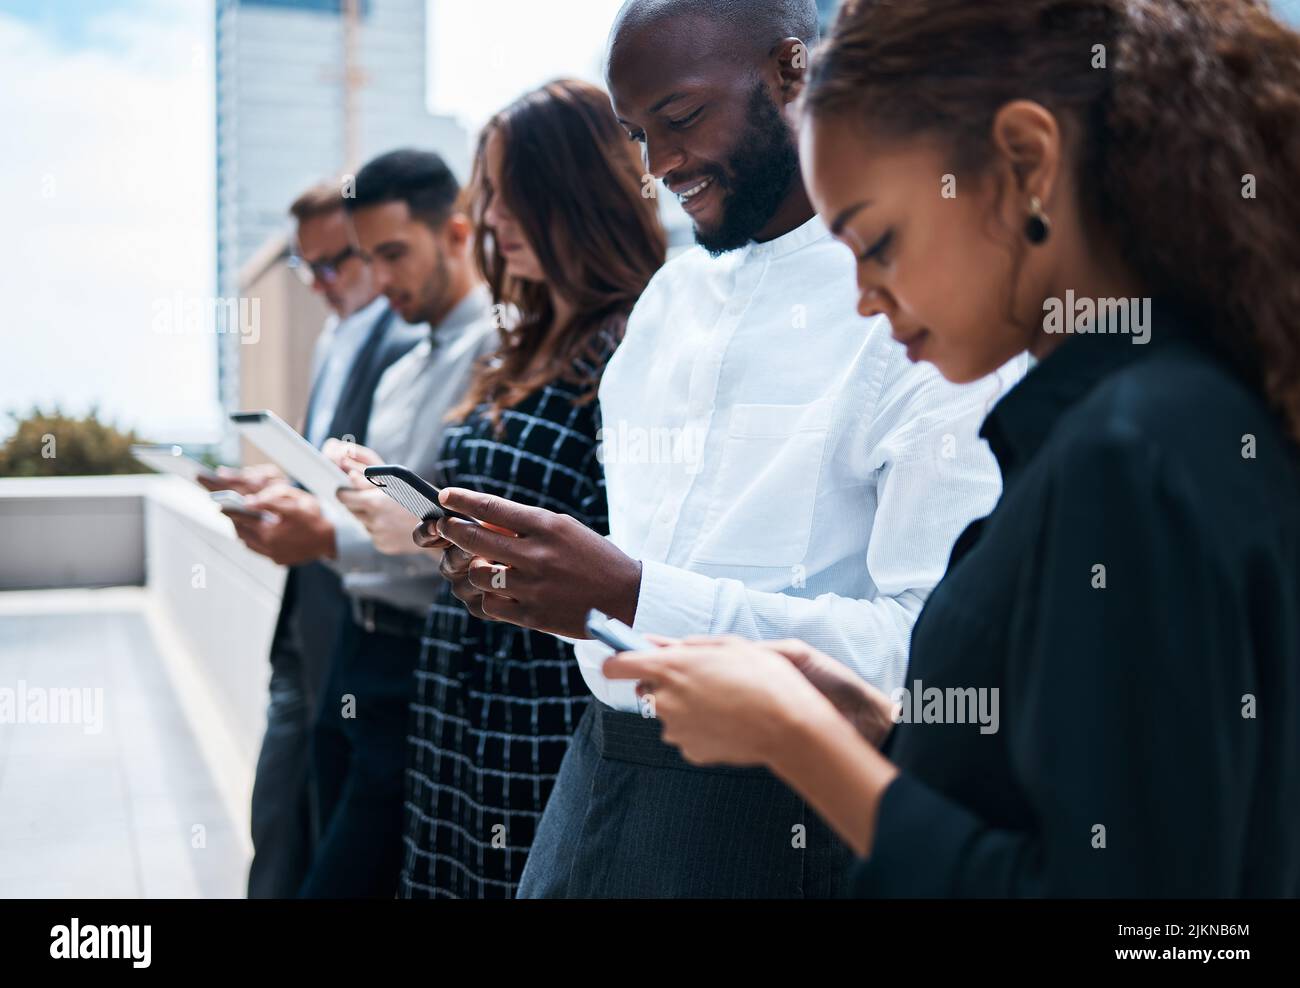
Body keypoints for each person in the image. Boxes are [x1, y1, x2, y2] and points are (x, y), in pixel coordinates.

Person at [603, 0, 1300, 897]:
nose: (862, 298)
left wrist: (799, 742)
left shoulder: (1132, 451)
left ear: (1024, 164)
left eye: (880, 240)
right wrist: (884, 727)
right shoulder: (1159, 415)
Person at [429, 0, 1023, 898]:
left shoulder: (919, 312)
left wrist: (632, 595)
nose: (660, 165)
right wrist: (546, 583)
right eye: (636, 135)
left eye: (681, 117)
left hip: (786, 807)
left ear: (793, 73)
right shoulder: (665, 303)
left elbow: (925, 656)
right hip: (593, 770)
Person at [381, 79, 665, 898]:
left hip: (543, 704)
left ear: (569, 190)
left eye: (507, 193)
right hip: (459, 682)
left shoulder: (638, 344)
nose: (493, 219)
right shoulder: (517, 345)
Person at [237, 150, 496, 897]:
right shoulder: (399, 368)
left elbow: (455, 527)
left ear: (455, 235)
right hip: (356, 642)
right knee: (321, 843)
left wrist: (335, 527)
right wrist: (332, 493)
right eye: (368, 259)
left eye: (393, 255)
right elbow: (409, 507)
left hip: (422, 659)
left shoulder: (497, 355)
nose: (379, 282)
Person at [201, 179, 422, 898]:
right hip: (308, 616)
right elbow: (326, 475)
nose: (323, 283)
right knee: (279, 817)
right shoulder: (336, 335)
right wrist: (278, 491)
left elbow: (394, 500)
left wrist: (316, 516)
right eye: (310, 268)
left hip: (360, 614)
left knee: (324, 833)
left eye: (338, 264)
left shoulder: (406, 336)